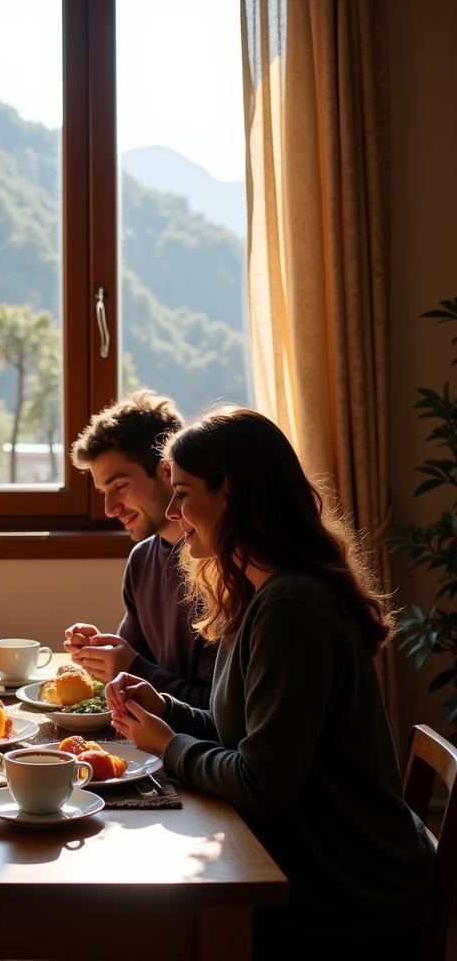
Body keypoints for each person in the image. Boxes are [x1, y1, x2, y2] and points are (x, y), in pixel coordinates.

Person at [107, 407, 434, 957]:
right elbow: (248, 732)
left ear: (229, 493)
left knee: (133, 927)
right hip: (313, 861)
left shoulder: (291, 608)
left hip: (342, 890)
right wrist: (166, 709)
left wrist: (168, 745)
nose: (173, 512)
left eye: (183, 493)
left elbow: (263, 783)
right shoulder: (261, 593)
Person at [63, 390, 215, 706]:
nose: (109, 508)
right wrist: (99, 651)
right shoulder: (142, 559)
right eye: (103, 492)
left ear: (167, 471)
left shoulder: (219, 565)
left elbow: (218, 710)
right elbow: (131, 663)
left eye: (119, 486)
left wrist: (130, 666)